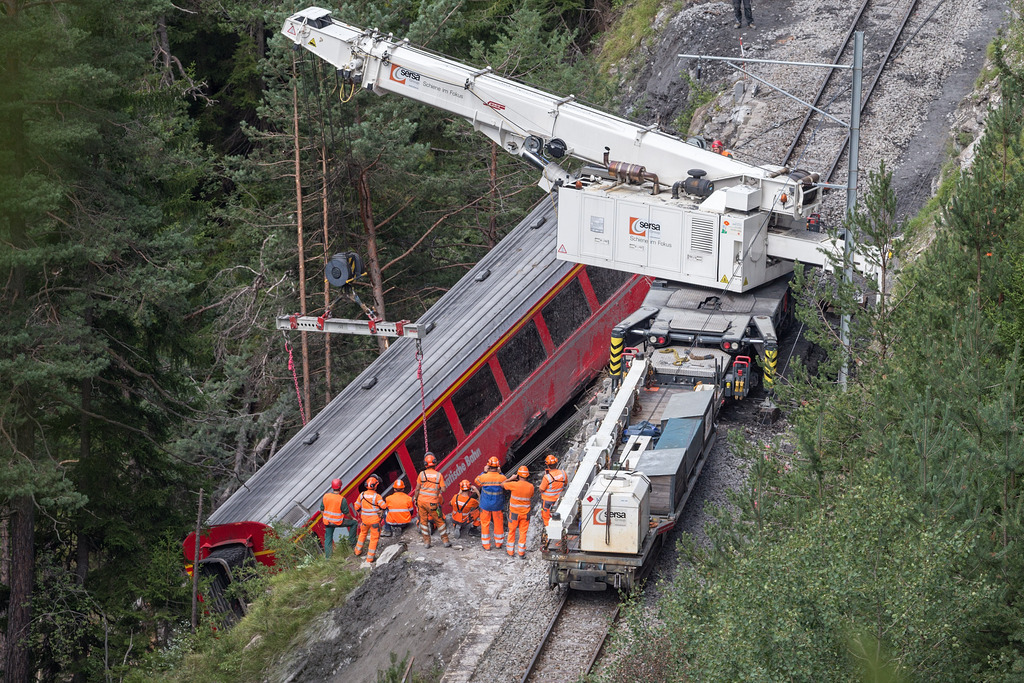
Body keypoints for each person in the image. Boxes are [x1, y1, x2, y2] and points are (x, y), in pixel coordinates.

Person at [413, 452, 450, 548]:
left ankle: (427, 542)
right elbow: (444, 490)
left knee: (423, 522)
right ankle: (445, 541)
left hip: (421, 502)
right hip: (433, 503)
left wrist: (415, 497)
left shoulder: (421, 474)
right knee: (439, 521)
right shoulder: (439, 475)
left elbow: (417, 489)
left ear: (425, 464)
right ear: (435, 463)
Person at [474, 457, 507, 550]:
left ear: (488, 466)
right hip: (497, 505)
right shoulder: (502, 477)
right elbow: (506, 483)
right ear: (498, 467)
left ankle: (486, 545)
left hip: (485, 505)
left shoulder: (484, 477)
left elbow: (477, 481)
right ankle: (498, 543)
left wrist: (484, 472)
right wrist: (500, 472)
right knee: (498, 523)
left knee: (485, 523)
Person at [502, 466, 535, 559]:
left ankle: (510, 552)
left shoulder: (513, 484)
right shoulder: (530, 486)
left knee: (512, 531)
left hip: (514, 514)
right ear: (527, 475)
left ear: (518, 475)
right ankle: (521, 553)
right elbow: (531, 495)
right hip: (525, 514)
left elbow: (502, 484)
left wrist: (511, 478)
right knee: (523, 533)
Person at [354, 475, 387, 563]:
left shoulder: (361, 495)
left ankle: (357, 551)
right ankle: (370, 558)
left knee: (362, 534)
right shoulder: (377, 496)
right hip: (374, 522)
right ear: (375, 486)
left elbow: (356, 506)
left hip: (364, 521)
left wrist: (360, 512)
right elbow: (383, 506)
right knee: (374, 539)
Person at [321, 478, 356, 559]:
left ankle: (328, 559)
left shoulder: (325, 496)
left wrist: (326, 518)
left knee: (328, 539)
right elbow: (346, 512)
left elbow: (322, 509)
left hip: (328, 522)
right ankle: (352, 543)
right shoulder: (341, 499)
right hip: (338, 522)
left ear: (332, 487)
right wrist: (352, 518)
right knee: (354, 523)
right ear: (340, 487)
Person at [539, 455, 567, 526]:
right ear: (556, 464)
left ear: (548, 465)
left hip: (547, 501)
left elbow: (541, 489)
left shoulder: (547, 477)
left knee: (546, 517)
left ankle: (547, 530)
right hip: (558, 499)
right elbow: (565, 484)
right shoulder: (563, 473)